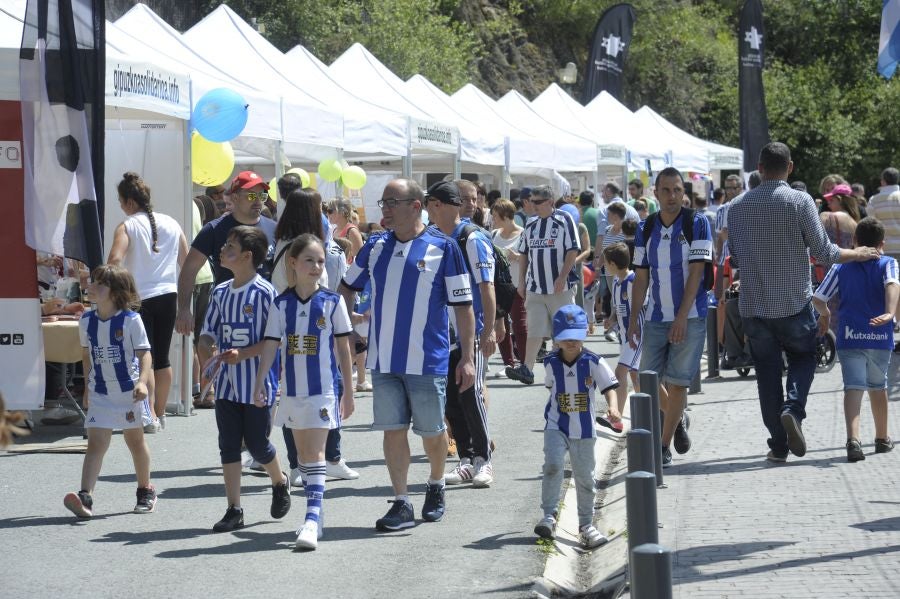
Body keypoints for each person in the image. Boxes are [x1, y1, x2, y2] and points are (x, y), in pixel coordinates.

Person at [727, 142, 881, 463]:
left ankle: (779, 445)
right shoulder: (799, 201)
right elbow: (826, 253)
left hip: (754, 306)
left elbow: (737, 258)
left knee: (767, 375)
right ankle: (793, 408)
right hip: (794, 303)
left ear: (759, 167)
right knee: (804, 357)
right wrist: (858, 253)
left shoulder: (737, 206)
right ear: (791, 167)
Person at [340, 178, 475, 531]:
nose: (384, 207)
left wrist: (468, 357)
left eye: (391, 201)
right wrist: (349, 330)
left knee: (432, 433)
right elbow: (345, 288)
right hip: (383, 360)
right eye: (383, 202)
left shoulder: (443, 247)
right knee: (392, 430)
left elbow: (463, 305)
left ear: (415, 206)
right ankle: (401, 500)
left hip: (427, 359)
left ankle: (435, 482)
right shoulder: (374, 246)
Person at [253, 234, 354, 550]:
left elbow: (343, 346)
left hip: (323, 390)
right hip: (292, 392)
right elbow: (270, 345)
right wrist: (260, 383)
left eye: (321, 261)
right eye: (309, 260)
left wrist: (348, 391)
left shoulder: (333, 302)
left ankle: (310, 520)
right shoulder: (281, 304)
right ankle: (317, 512)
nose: (316, 266)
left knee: (316, 453)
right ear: (292, 264)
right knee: (301, 458)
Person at [197, 226, 291, 533]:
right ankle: (234, 508)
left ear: (248, 256)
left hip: (257, 386)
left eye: (230, 247)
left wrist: (245, 354)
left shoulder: (265, 293)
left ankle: (279, 481)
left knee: (258, 444)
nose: (223, 251)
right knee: (228, 446)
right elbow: (208, 330)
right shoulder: (220, 292)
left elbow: (273, 340)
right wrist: (207, 355)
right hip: (226, 385)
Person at [627, 167, 712, 468]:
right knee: (644, 379)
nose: (673, 196)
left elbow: (698, 273)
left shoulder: (697, 223)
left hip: (691, 316)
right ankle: (677, 421)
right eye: (666, 190)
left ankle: (663, 447)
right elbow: (640, 277)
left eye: (677, 190)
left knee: (677, 384)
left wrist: (680, 317)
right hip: (654, 316)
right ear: (656, 193)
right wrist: (633, 318)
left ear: (684, 192)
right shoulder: (645, 227)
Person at [64, 265, 155, 519]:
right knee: (96, 444)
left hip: (128, 393)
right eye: (92, 282)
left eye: (99, 284)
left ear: (115, 292)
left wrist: (143, 383)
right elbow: (86, 355)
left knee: (135, 442)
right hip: (100, 392)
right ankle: (85, 496)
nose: (91, 287)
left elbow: (144, 353)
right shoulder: (86, 320)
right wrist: (85, 387)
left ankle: (145, 489)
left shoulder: (130, 320)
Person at [426, 180, 496, 488]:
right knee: (451, 400)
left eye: (431, 204)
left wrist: (491, 329)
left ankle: (484, 459)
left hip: (471, 331)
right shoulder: (432, 237)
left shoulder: (471, 238)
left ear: (441, 205)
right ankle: (466, 459)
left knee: (470, 394)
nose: (428, 210)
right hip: (443, 334)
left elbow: (487, 285)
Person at [107, 172, 188, 434]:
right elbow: (187, 264)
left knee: (145, 356)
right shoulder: (172, 223)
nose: (121, 207)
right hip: (168, 295)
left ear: (130, 202)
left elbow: (114, 260)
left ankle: (149, 414)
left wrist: (115, 289)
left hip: (138, 297)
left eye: (120, 201)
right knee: (162, 358)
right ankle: (160, 413)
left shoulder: (127, 225)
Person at [812, 217, 898, 462]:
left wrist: (826, 315)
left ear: (855, 241)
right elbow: (893, 285)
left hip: (849, 335)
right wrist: (891, 314)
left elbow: (819, 297)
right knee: (878, 386)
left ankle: (853, 440)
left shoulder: (841, 267)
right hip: (879, 336)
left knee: (853, 387)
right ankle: (882, 438)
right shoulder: (888, 263)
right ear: (882, 243)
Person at [533, 304, 616, 549]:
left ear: (585, 334)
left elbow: (609, 387)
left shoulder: (593, 362)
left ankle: (586, 524)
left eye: (576, 337)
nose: (571, 342)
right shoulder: (549, 363)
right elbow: (551, 387)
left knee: (585, 477)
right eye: (565, 337)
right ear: (556, 338)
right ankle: (548, 515)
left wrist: (614, 408)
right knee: (552, 465)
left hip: (585, 430)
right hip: (556, 425)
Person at [175, 171, 276, 338]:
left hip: (265, 314)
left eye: (262, 195)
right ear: (235, 198)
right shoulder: (215, 229)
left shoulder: (274, 229)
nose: (258, 201)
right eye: (251, 196)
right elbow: (189, 269)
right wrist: (184, 309)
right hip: (227, 314)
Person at [505, 185, 581, 385]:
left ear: (550, 202)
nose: (532, 205)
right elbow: (524, 253)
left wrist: (563, 276)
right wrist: (521, 281)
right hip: (535, 286)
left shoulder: (564, 220)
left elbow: (573, 250)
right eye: (531, 201)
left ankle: (561, 370)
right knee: (534, 330)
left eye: (537, 202)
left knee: (561, 331)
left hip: (559, 288)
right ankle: (527, 369)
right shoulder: (531, 223)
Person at [599, 242, 645, 432]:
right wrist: (611, 320)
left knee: (620, 373)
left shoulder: (633, 281)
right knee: (636, 376)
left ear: (613, 264)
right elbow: (619, 308)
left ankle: (616, 416)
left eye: (605, 263)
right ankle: (649, 413)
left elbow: (640, 307)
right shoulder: (617, 282)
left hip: (635, 336)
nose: (603, 266)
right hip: (624, 336)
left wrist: (634, 331)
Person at [491, 199, 526, 369]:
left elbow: (533, 259)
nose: (493, 219)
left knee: (520, 325)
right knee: (500, 324)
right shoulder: (494, 235)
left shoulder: (523, 234)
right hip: (499, 287)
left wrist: (517, 257)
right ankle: (508, 364)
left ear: (505, 216)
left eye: (495, 216)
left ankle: (526, 364)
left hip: (518, 285)